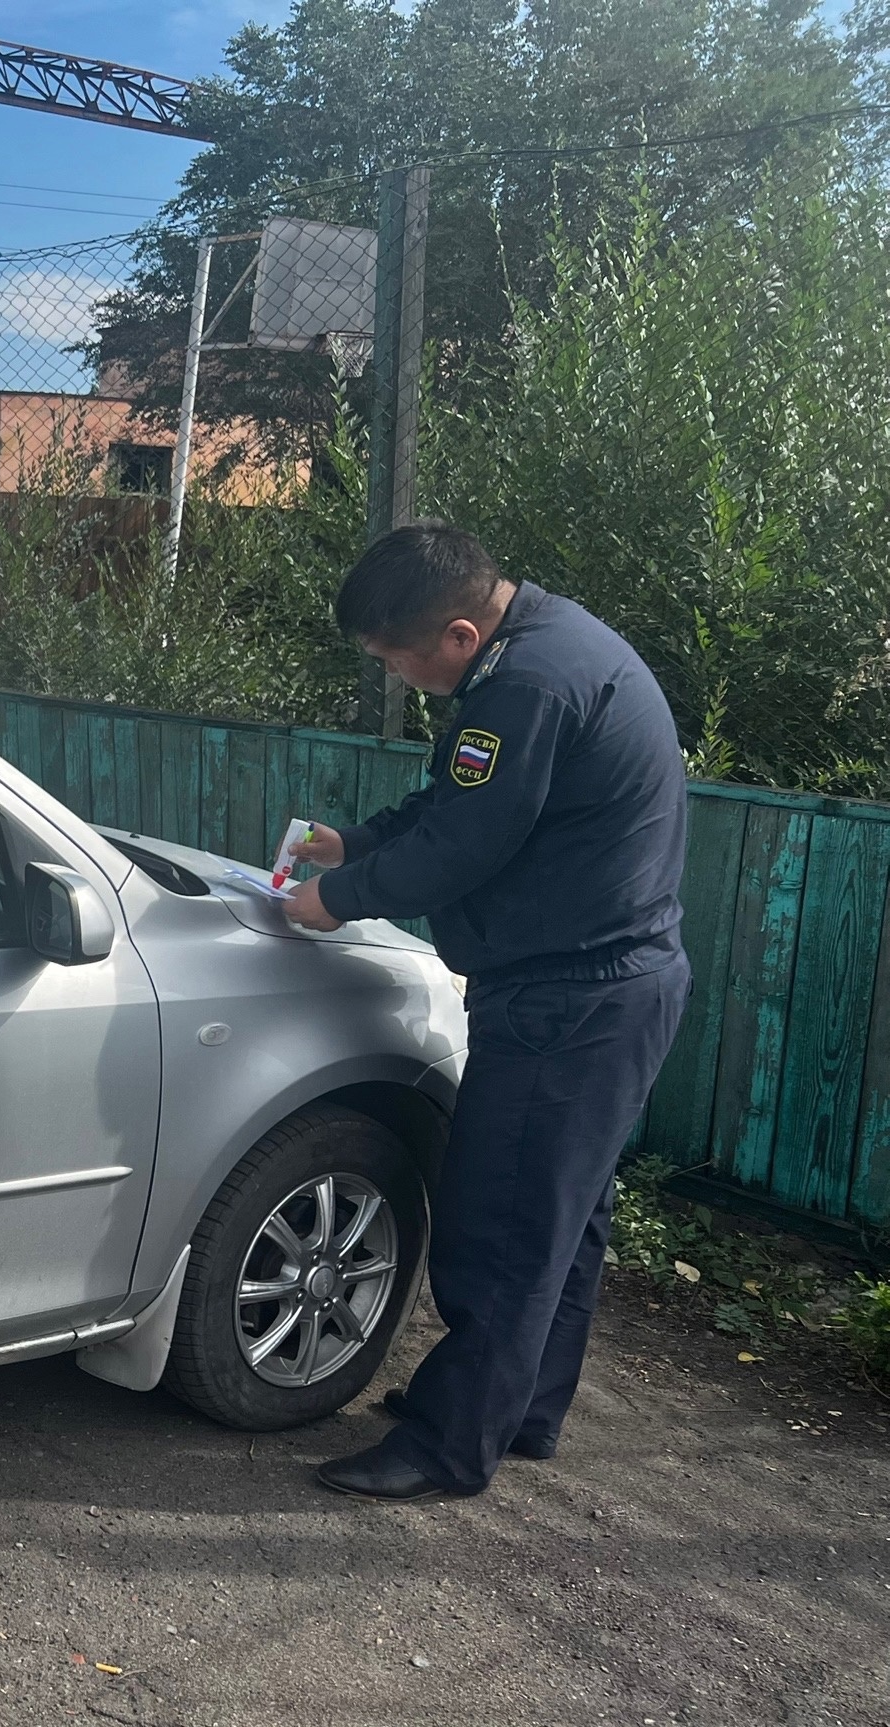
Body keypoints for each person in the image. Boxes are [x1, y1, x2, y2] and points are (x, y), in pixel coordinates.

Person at [280, 523, 690, 1500]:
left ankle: (443, 1447)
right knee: (559, 1221)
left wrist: (329, 901)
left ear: (456, 635)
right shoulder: (543, 647)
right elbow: (456, 806)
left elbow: (464, 849)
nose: (393, 673)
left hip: (570, 1001)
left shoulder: (524, 688)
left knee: (501, 1227)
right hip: (607, 989)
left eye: (393, 658)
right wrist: (355, 842)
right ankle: (518, 1413)